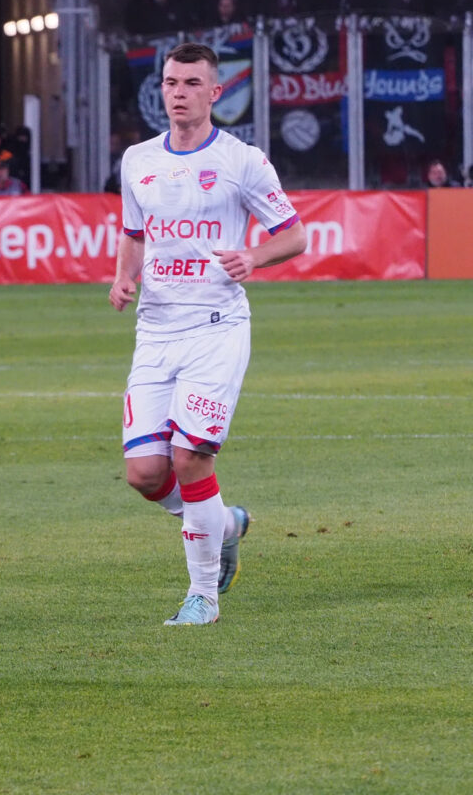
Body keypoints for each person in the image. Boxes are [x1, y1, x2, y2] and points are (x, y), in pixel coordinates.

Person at [109, 43, 306, 626]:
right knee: (145, 473)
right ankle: (224, 523)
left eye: (192, 83)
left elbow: (293, 236)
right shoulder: (137, 160)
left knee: (189, 456)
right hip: (156, 330)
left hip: (216, 328)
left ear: (215, 93)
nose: (178, 92)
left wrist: (255, 256)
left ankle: (203, 598)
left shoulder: (242, 160)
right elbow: (134, 231)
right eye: (171, 82)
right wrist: (124, 277)